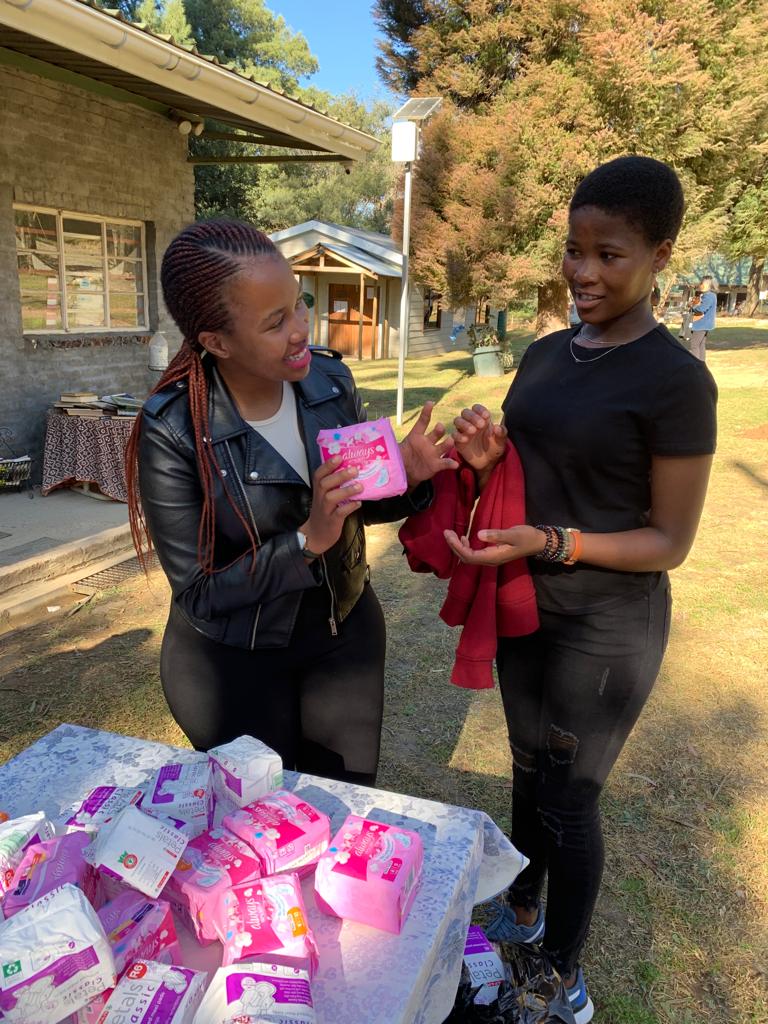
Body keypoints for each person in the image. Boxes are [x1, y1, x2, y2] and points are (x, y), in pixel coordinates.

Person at [444, 156, 717, 1022]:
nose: (584, 272)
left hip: (605, 627)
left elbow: (670, 542)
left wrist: (553, 542)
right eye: (574, 250)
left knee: (570, 799)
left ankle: (559, 975)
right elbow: (536, 464)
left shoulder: (677, 381)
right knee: (527, 771)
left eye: (609, 254)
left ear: (660, 255)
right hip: (526, 605)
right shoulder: (544, 354)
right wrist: (489, 458)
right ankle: (524, 906)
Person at [126, 220, 456, 786]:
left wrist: (406, 476)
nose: (301, 329)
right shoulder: (175, 429)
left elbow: (353, 506)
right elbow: (201, 592)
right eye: (275, 322)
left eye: (299, 304)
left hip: (342, 636)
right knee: (261, 823)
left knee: (343, 805)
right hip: (235, 664)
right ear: (217, 342)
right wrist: (306, 541)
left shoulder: (329, 382)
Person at [689, 275, 717, 360]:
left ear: (708, 284)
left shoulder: (709, 296)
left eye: (702, 283)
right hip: (704, 324)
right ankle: (701, 363)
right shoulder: (708, 295)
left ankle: (696, 364)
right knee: (701, 345)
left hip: (701, 324)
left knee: (694, 345)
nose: (700, 285)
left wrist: (692, 306)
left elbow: (701, 309)